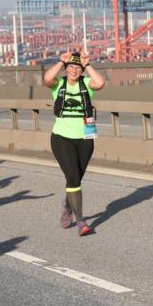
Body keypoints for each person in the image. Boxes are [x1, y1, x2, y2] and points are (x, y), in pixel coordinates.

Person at [42, 50, 105, 235]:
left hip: (85, 138)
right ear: (66, 68)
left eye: (77, 67)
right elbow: (47, 79)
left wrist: (88, 65)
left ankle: (69, 206)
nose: (74, 70)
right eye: (71, 67)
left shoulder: (86, 84)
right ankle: (81, 222)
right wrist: (61, 62)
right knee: (73, 178)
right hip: (62, 137)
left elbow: (100, 83)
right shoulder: (58, 85)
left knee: (76, 178)